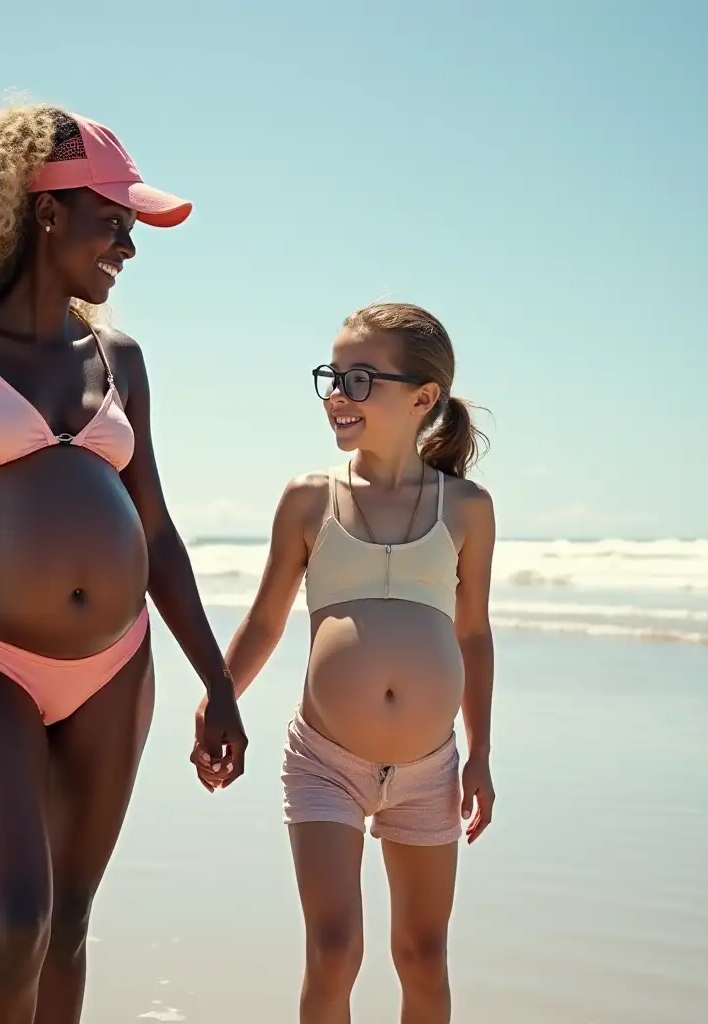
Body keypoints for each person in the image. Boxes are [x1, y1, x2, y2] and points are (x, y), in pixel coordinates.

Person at [0, 103, 248, 1024]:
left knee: (69, 923)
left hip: (118, 666)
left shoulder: (120, 358)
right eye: (113, 222)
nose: (128, 246)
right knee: (14, 919)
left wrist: (219, 682)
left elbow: (156, 532)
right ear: (47, 213)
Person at [193, 302, 496, 1024]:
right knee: (334, 952)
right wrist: (220, 695)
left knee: (423, 957)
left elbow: (474, 633)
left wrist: (480, 753)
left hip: (430, 771)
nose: (338, 393)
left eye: (361, 379)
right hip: (325, 761)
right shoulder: (309, 499)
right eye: (333, 376)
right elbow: (267, 617)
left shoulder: (466, 508)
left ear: (422, 398)